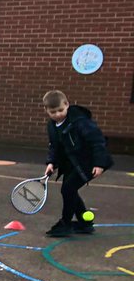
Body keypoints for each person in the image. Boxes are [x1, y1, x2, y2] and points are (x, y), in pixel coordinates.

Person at [42, 90, 113, 237]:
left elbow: (97, 141)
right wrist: (51, 163)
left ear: (67, 105)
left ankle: (65, 223)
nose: (57, 114)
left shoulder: (80, 121)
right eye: (53, 112)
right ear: (46, 110)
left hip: (89, 162)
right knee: (69, 190)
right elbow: (54, 146)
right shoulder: (52, 126)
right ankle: (84, 223)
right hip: (72, 163)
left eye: (60, 110)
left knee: (68, 189)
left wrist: (99, 164)